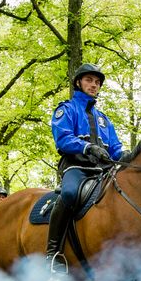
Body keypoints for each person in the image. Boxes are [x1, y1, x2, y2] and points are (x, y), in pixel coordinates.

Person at [46, 63, 125, 268]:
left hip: (103, 171)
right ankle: (53, 252)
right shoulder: (67, 109)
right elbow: (62, 139)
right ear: (79, 82)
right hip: (76, 167)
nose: (93, 85)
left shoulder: (104, 120)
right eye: (89, 80)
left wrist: (126, 155)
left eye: (97, 82)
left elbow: (115, 148)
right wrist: (88, 147)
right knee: (70, 193)